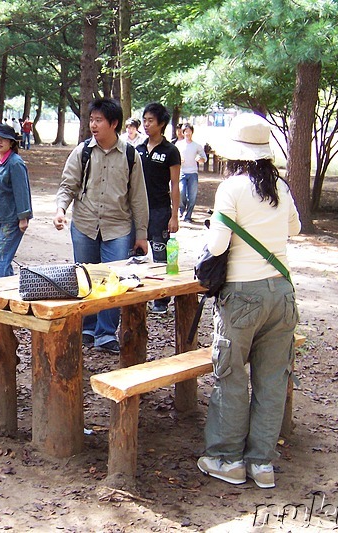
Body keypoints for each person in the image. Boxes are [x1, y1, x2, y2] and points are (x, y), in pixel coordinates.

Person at [196, 113, 301, 490]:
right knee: (272, 380)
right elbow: (294, 228)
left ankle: (226, 458)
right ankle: (261, 463)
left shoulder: (232, 188)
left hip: (242, 296)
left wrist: (211, 232)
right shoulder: (281, 187)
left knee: (231, 374)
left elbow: (218, 245)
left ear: (235, 153)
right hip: (281, 292)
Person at [53, 98, 149, 354]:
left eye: (99, 120)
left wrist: (142, 234)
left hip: (118, 228)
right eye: (91, 120)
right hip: (84, 224)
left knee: (112, 280)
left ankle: (106, 334)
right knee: (86, 277)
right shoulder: (82, 152)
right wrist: (61, 210)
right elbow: (68, 185)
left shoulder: (130, 155)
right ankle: (88, 326)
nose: (93, 125)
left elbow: (138, 197)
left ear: (114, 123)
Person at [136, 103, 182, 314]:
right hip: (137, 210)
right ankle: (137, 296)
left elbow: (174, 185)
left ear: (161, 124)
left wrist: (174, 216)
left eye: (150, 120)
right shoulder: (137, 149)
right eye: (144, 120)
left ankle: (162, 300)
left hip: (160, 209)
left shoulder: (170, 151)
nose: (146, 124)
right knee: (136, 253)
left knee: (161, 254)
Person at [0, 124, 32, 278]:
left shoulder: (15, 163)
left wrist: (23, 218)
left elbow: (22, 191)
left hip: (12, 219)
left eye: (3, 139)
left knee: (1, 260)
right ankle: (9, 292)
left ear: (11, 142)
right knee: (4, 260)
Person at [175, 124, 207, 222]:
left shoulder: (196, 146)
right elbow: (174, 158)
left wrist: (199, 159)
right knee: (181, 192)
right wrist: (179, 160)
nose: (187, 133)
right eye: (185, 131)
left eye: (189, 131)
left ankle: (188, 215)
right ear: (183, 133)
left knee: (192, 195)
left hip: (193, 173)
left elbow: (204, 158)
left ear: (192, 132)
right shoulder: (179, 145)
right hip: (182, 172)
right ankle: (181, 211)